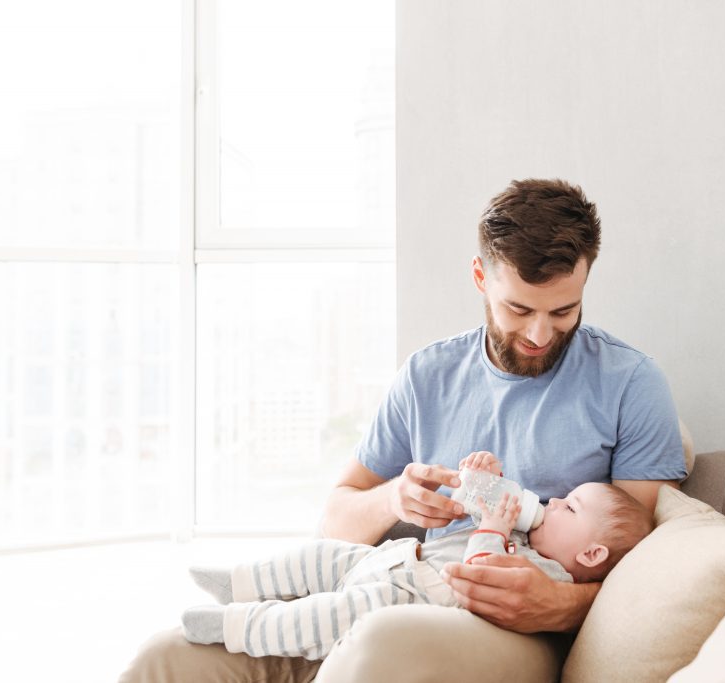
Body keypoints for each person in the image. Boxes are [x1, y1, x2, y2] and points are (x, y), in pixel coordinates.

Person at [119, 178, 686, 682]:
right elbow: (336, 519)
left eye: (564, 312)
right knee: (165, 657)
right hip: (390, 592)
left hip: (518, 635)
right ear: (479, 277)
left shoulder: (630, 385)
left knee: (377, 648)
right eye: (519, 309)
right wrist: (395, 498)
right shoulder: (427, 376)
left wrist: (559, 605)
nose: (541, 333)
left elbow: (638, 564)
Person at [177, 451, 653, 660]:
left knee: (321, 618)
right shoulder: (528, 536)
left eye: (570, 507)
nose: (551, 501)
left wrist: (492, 529)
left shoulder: (549, 575)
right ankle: (239, 581)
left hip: (397, 598)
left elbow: (481, 572)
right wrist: (480, 481)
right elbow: (469, 514)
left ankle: (237, 627)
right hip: (397, 555)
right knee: (319, 555)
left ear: (590, 554)